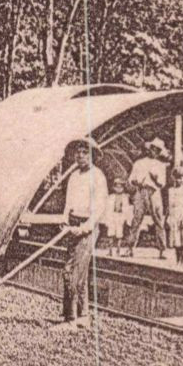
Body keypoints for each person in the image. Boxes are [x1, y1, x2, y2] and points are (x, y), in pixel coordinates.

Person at [57, 138, 108, 328]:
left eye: (85, 152)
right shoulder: (74, 176)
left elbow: (99, 208)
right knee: (80, 273)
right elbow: (68, 203)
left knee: (71, 271)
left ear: (92, 155)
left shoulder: (98, 176)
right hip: (73, 223)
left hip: (88, 227)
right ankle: (83, 316)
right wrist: (65, 219)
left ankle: (70, 320)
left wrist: (84, 228)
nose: (80, 155)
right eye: (78, 152)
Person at [121, 138, 169, 258]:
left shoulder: (160, 165)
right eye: (153, 148)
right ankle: (129, 248)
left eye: (157, 150)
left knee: (158, 220)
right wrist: (135, 182)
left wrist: (155, 179)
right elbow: (131, 179)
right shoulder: (139, 163)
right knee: (136, 220)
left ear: (159, 152)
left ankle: (162, 249)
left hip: (154, 192)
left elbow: (162, 184)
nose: (154, 151)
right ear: (149, 149)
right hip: (140, 191)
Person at [165, 160, 183, 265]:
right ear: (173, 178)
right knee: (175, 239)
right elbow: (169, 205)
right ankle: (177, 260)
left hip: (182, 214)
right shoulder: (170, 190)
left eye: (181, 178)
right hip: (173, 215)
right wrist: (167, 217)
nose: (179, 180)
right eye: (177, 177)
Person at [99, 177, 130, 251]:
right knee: (111, 233)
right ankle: (110, 249)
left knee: (119, 233)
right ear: (114, 187)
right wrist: (107, 218)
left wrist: (126, 218)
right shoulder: (111, 197)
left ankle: (118, 249)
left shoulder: (125, 197)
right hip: (112, 216)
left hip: (120, 216)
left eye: (121, 187)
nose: (119, 189)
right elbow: (107, 208)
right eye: (117, 187)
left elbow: (127, 208)